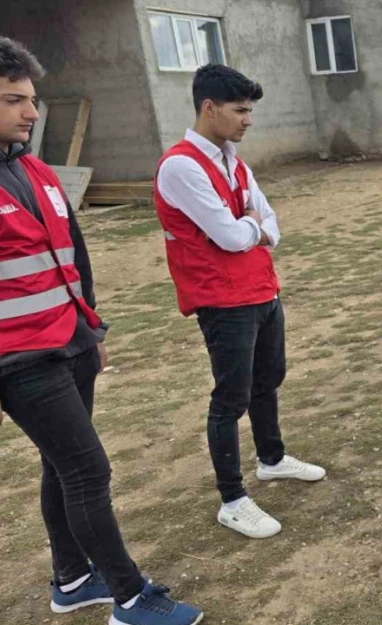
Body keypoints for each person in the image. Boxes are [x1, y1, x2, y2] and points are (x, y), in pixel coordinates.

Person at [0, 37, 202, 625]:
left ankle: (71, 580)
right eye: (15, 100)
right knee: (87, 470)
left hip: (70, 343)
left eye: (31, 100)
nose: (32, 113)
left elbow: (74, 256)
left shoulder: (34, 169)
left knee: (60, 465)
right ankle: (131, 598)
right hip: (19, 360)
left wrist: (92, 329)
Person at [154, 64, 325, 540]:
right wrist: (252, 226)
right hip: (222, 299)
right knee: (229, 398)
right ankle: (232, 498)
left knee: (268, 380)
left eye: (250, 110)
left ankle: (271, 459)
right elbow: (232, 236)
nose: (248, 120)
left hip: (261, 288)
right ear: (209, 108)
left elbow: (273, 224)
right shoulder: (182, 165)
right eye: (240, 110)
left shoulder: (234, 160)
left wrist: (253, 226)